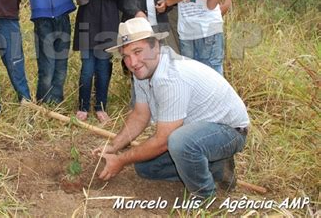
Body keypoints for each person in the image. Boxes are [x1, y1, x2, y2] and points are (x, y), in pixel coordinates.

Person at [93, 17, 250, 199]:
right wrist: (113, 147)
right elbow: (140, 115)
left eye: (137, 51)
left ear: (156, 46)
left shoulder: (171, 77)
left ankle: (204, 197)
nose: (133, 62)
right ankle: (217, 169)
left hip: (230, 132)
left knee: (178, 142)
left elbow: (163, 140)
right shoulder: (142, 72)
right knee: (145, 167)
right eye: (126, 56)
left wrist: (120, 160)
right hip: (196, 131)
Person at [70, 0, 127, 123]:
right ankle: (83, 106)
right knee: (87, 66)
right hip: (87, 19)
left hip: (107, 20)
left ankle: (101, 107)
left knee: (103, 65)